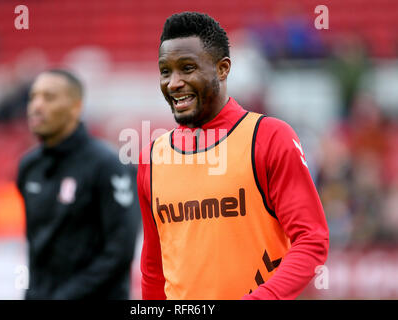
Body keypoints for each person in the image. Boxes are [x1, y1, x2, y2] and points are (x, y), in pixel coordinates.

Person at [137, 12, 329, 300]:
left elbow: (312, 240)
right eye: (166, 71)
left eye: (187, 68)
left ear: (223, 68)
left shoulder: (270, 137)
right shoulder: (152, 158)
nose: (174, 82)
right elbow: (154, 270)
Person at [17, 69, 139, 299]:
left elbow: (120, 252)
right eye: (33, 97)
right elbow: (35, 244)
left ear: (76, 106)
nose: (36, 106)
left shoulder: (108, 165)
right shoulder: (29, 166)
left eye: (49, 97)